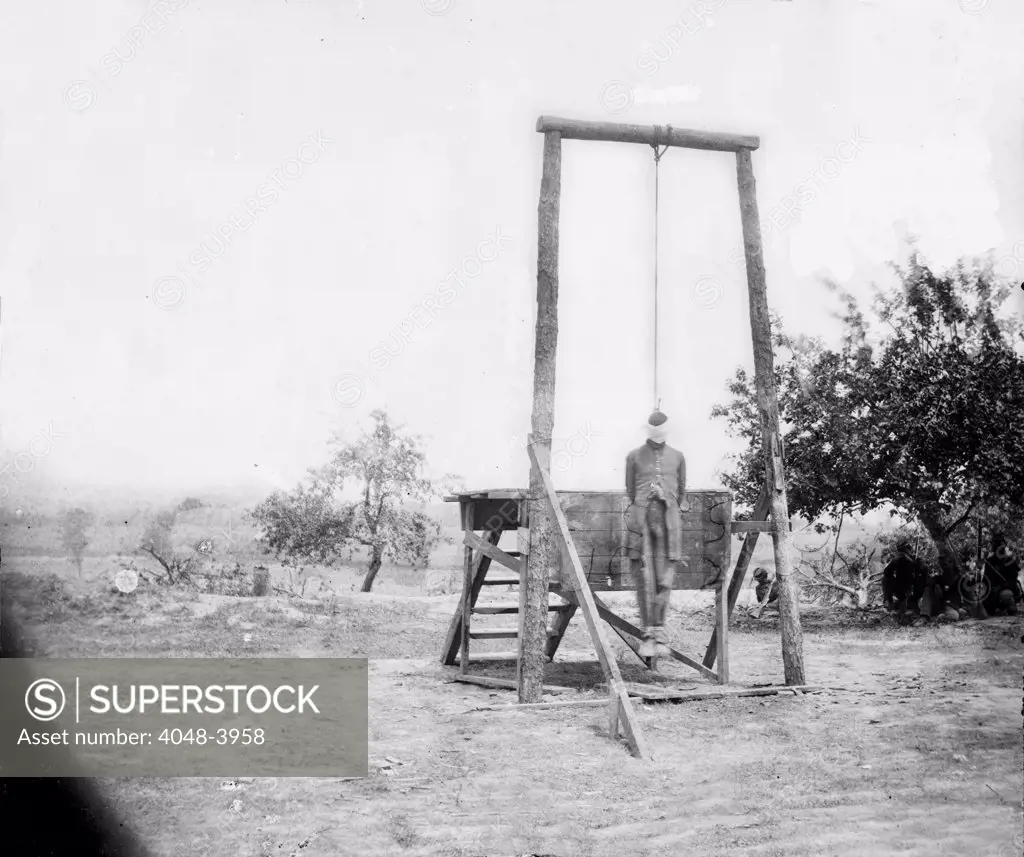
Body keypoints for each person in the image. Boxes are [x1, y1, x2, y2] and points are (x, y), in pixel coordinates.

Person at [625, 409, 686, 659]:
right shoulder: (633, 456)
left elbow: (681, 493)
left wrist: (665, 497)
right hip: (641, 525)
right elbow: (630, 491)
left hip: (668, 525)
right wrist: (645, 499)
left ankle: (659, 634)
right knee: (644, 578)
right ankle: (647, 635)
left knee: (664, 580)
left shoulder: (678, 457)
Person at [882, 541, 926, 624]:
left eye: (905, 551)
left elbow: (923, 572)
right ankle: (889, 602)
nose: (903, 553)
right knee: (886, 579)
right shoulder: (897, 561)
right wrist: (894, 562)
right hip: (901, 590)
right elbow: (887, 573)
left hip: (914, 591)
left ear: (909, 551)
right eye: (901, 551)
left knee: (906, 609)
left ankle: (906, 611)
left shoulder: (917, 560)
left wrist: (911, 562)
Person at [982, 535, 1023, 617]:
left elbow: (1012, 583)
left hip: (1005, 590)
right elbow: (985, 580)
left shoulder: (1010, 561)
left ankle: (1009, 607)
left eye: (998, 543)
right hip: (992, 591)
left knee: (1006, 595)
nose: (995, 546)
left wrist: (999, 587)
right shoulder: (989, 562)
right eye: (994, 543)